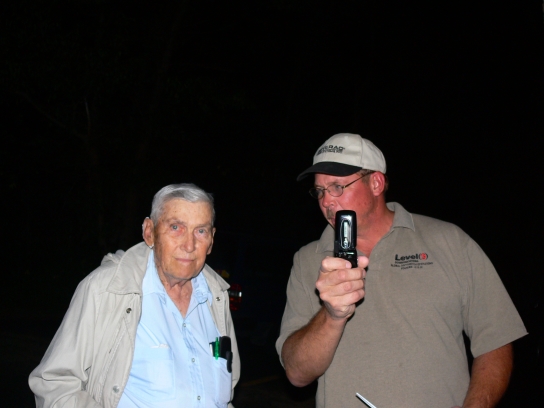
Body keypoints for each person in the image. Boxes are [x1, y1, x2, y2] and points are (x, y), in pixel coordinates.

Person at [276, 133, 527, 408]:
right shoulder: (308, 261)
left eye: (337, 186)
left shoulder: (449, 241)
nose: (326, 201)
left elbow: (496, 340)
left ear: (376, 183)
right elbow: (297, 374)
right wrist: (332, 315)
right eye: (320, 191)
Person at [30, 183, 240, 408]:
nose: (189, 245)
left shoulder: (216, 298)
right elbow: (55, 385)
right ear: (149, 232)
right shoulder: (107, 289)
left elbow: (224, 393)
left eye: (200, 231)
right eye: (176, 227)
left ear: (211, 240)